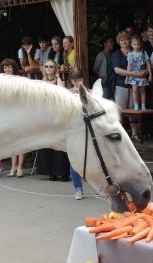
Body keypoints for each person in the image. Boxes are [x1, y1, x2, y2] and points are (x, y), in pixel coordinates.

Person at [35, 59, 70, 182]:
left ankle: (64, 172)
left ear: (55, 68)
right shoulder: (41, 83)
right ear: (43, 68)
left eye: (51, 66)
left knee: (60, 144)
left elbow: (62, 90)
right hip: (46, 116)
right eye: (47, 66)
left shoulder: (59, 81)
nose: (49, 68)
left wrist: (57, 76)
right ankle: (51, 171)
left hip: (58, 115)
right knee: (48, 144)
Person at [111, 30, 148, 142]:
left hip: (136, 84)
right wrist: (133, 74)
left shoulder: (137, 51)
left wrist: (145, 72)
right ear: (119, 42)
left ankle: (134, 134)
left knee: (133, 110)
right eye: (121, 40)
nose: (124, 42)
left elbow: (147, 64)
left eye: (126, 39)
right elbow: (117, 70)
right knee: (120, 110)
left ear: (130, 41)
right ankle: (120, 134)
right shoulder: (117, 54)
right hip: (121, 85)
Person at [0, 58, 24, 177]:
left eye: (9, 67)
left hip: (19, 111)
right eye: (5, 67)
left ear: (14, 68)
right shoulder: (0, 81)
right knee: (11, 141)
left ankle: (20, 167)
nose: (7, 69)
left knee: (21, 140)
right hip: (6, 112)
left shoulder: (19, 80)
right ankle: (13, 166)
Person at [67, 68, 88, 200]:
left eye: (79, 79)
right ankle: (78, 189)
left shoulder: (89, 92)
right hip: (73, 130)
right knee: (73, 162)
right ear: (71, 81)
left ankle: (100, 187)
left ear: (82, 79)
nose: (77, 81)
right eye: (74, 79)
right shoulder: (67, 93)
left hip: (87, 129)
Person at [125, 35, 152, 111]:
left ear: (140, 44)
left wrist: (150, 74)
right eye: (134, 44)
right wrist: (127, 77)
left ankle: (143, 105)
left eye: (138, 44)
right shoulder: (130, 54)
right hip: (133, 75)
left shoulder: (144, 53)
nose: (136, 46)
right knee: (135, 90)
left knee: (143, 90)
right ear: (131, 45)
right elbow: (129, 66)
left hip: (142, 75)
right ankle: (136, 105)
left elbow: (148, 64)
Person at [92, 35, 114, 99]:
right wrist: (100, 73)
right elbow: (94, 69)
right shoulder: (100, 55)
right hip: (104, 83)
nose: (113, 43)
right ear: (105, 43)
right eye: (111, 41)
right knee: (106, 101)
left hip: (113, 82)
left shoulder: (113, 55)